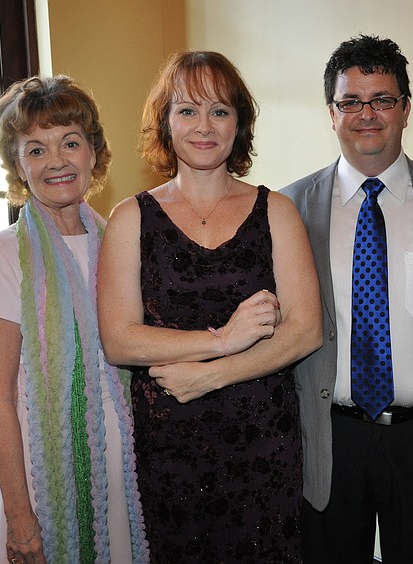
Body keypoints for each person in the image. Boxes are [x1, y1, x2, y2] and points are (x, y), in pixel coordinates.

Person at [97, 50, 322, 562]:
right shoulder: (130, 218)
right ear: (166, 122)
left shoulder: (277, 212)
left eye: (220, 111)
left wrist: (212, 374)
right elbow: (120, 338)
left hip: (265, 442)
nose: (204, 126)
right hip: (172, 447)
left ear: (239, 124)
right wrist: (223, 338)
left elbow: (306, 329)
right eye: (187, 110)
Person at [282, 35, 413, 564]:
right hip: (329, 439)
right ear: (332, 113)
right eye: (351, 101)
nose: (366, 114)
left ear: (406, 110)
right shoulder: (289, 207)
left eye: (383, 99)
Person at [0, 76, 149, 564]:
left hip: (128, 474)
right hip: (46, 486)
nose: (57, 161)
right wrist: (22, 517)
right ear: (19, 166)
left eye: (70, 142)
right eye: (36, 149)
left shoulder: (120, 242)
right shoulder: (0, 259)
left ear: (94, 153)